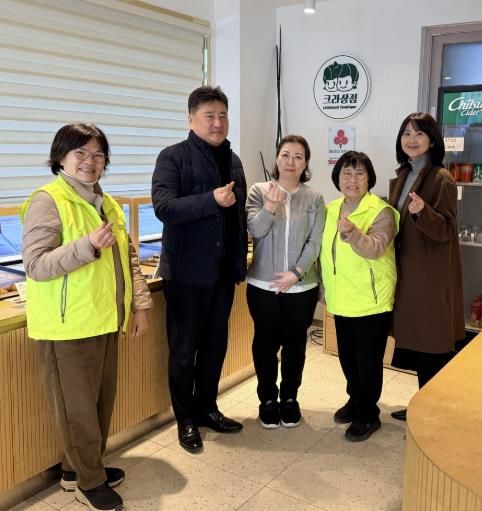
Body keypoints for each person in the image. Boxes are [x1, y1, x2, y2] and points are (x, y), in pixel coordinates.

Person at [20, 122, 152, 511]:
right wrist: (87, 246)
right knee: (77, 410)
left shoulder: (105, 202)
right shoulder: (47, 200)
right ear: (60, 157)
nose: (89, 162)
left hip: (105, 319)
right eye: (80, 153)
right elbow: (36, 265)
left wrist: (139, 304)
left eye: (97, 154)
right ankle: (89, 482)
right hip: (67, 327)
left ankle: (75, 470)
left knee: (97, 405)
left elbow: (127, 257)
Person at [152, 86, 248, 453]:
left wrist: (238, 262)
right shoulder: (172, 157)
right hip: (186, 275)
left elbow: (237, 217)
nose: (218, 122)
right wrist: (211, 200)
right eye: (209, 116)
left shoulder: (234, 161)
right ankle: (186, 419)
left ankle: (208, 407)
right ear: (191, 120)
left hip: (222, 274)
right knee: (183, 350)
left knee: (214, 346)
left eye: (222, 115)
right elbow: (165, 207)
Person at [388, 112, 464, 421]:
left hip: (430, 276)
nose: (412, 139)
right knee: (419, 342)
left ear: (432, 141)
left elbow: (447, 229)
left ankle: (432, 413)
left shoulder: (441, 178)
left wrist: (423, 213)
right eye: (406, 133)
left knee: (431, 342)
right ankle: (423, 407)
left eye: (419, 133)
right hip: (408, 271)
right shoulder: (403, 175)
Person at [245, 135, 325, 429]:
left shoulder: (314, 197)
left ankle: (290, 397)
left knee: (295, 344)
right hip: (262, 285)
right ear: (277, 159)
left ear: (305, 163)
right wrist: (270, 206)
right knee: (265, 344)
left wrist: (297, 272)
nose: (291, 161)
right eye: (286, 155)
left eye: (298, 157)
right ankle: (267, 399)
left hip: (301, 287)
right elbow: (255, 230)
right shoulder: (258, 191)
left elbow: (315, 241)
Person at [320, 151, 399, 442]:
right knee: (348, 358)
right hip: (341, 299)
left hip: (371, 301)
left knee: (368, 362)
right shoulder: (331, 209)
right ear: (338, 178)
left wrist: (353, 233)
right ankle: (355, 400)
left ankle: (368, 413)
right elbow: (325, 254)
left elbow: (376, 248)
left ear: (369, 179)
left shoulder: (381, 211)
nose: (352, 179)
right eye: (346, 173)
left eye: (359, 173)